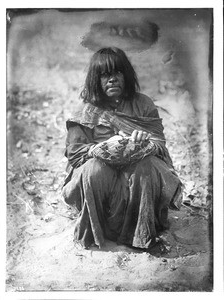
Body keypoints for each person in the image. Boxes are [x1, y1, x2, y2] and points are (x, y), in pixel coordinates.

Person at [62, 47, 182, 250]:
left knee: (146, 166)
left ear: (126, 75)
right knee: (93, 169)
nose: (112, 80)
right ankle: (96, 231)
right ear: (94, 80)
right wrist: (103, 148)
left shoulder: (143, 104)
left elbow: (160, 144)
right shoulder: (85, 110)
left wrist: (145, 143)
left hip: (135, 177)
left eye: (117, 72)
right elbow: (75, 153)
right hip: (102, 181)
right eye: (104, 75)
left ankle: (139, 235)